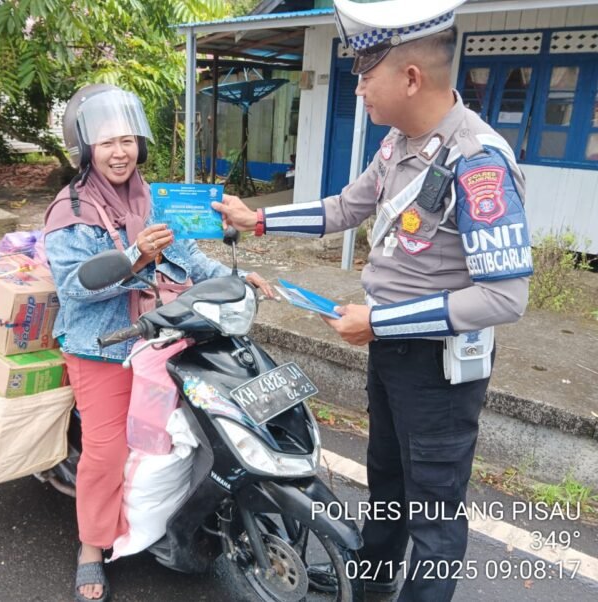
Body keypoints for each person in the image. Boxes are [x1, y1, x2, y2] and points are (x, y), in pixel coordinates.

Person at [212, 1, 533, 600]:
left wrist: (381, 322)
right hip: (390, 353)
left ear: (411, 78)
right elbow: (344, 208)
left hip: (439, 369)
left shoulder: (478, 163)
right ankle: (375, 581)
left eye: (366, 74)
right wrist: (257, 220)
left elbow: (505, 295)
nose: (357, 88)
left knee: (434, 513)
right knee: (386, 480)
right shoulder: (398, 143)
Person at [43, 84, 272, 602]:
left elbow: (189, 254)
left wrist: (237, 277)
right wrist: (133, 258)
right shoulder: (70, 209)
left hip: (162, 336)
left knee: (190, 429)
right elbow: (73, 286)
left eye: (127, 141)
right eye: (106, 143)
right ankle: (91, 547)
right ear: (87, 150)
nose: (119, 152)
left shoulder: (152, 197)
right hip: (100, 345)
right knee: (106, 449)